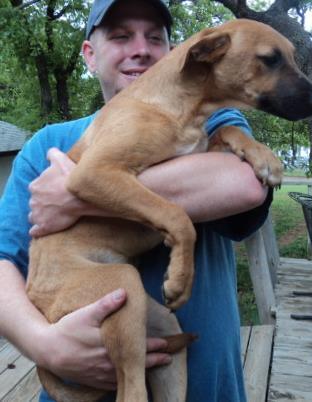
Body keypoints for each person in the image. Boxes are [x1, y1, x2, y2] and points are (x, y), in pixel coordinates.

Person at [0, 0, 273, 401]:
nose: (141, 49)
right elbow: (4, 263)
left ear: (175, 53)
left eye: (155, 37)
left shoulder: (212, 120)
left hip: (209, 387)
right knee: (122, 285)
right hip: (77, 301)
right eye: (121, 36)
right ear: (89, 56)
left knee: (165, 327)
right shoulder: (47, 143)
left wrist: (76, 196)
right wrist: (46, 347)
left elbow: (247, 184)